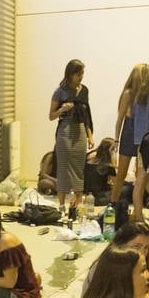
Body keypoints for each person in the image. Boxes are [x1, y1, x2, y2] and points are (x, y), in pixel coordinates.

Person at [112, 60, 149, 225]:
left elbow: (136, 119)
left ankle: (138, 215)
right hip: (147, 139)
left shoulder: (141, 95)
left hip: (141, 141)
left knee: (140, 179)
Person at [49, 59, 94, 217]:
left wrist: (90, 136)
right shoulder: (60, 91)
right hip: (65, 130)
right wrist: (62, 109)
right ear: (70, 74)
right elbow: (51, 116)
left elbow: (86, 115)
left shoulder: (84, 91)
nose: (81, 76)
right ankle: (61, 206)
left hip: (80, 130)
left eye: (82, 73)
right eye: (78, 73)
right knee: (63, 168)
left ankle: (77, 206)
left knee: (78, 169)